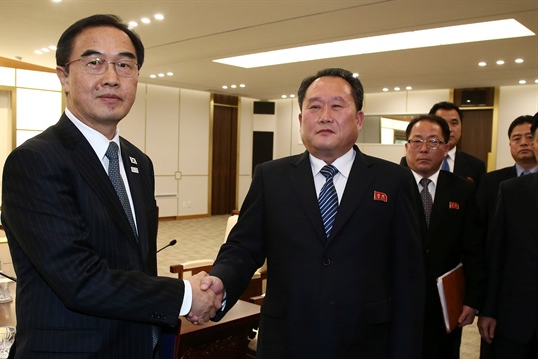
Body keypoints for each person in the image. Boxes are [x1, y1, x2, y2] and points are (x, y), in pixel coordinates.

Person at [1, 14, 220, 358]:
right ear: (64, 77)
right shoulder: (35, 161)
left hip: (138, 345)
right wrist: (185, 295)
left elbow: (137, 264)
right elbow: (78, 279)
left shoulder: (138, 162)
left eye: (124, 65)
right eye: (94, 63)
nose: (111, 78)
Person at [198, 68, 425, 358]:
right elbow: (243, 247)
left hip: (367, 341)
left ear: (358, 119)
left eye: (337, 105)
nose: (325, 116)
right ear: (301, 119)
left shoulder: (394, 181)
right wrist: (221, 282)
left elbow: (409, 276)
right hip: (287, 338)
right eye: (314, 106)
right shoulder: (271, 177)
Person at [403, 114, 485, 359]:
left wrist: (472, 300)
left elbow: (474, 248)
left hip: (445, 303)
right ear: (407, 146)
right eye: (416, 141)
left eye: (433, 142)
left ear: (447, 148)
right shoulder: (389, 185)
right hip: (399, 300)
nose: (424, 149)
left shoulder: (463, 189)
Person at [475, 115, 537, 359]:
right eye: (517, 138)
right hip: (515, 313)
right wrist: (487, 308)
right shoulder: (502, 186)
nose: (525, 143)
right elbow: (493, 250)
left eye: (530, 138)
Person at [401, 101, 486, 184]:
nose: (449, 129)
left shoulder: (476, 166)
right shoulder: (409, 162)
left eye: (454, 123)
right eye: (442, 123)